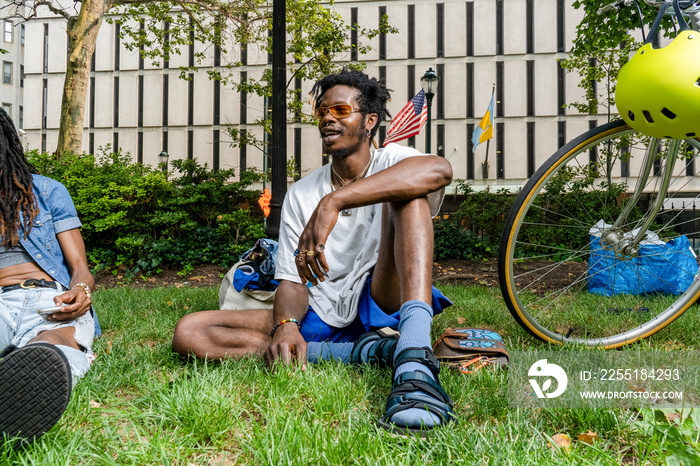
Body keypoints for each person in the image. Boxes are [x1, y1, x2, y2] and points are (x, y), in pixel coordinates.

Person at [172, 69, 456, 436]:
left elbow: (439, 169)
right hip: (320, 311)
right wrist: (286, 327)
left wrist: (334, 202)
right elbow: (291, 280)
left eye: (340, 110)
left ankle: (414, 358)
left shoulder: (392, 160)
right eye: (322, 111)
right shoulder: (302, 193)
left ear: (370, 121)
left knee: (410, 195)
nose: (327, 118)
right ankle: (369, 353)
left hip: (381, 298)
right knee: (191, 332)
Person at [0, 108, 97, 443]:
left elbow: (79, 267)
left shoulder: (47, 191)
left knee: (50, 349)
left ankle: (23, 385)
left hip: (49, 299)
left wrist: (81, 290)